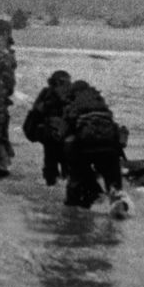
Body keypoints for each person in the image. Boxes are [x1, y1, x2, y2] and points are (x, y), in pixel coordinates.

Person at [60, 80, 129, 211]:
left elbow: (62, 133)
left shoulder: (72, 105)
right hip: (110, 149)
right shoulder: (101, 104)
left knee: (77, 177)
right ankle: (116, 201)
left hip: (85, 149)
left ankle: (80, 203)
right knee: (113, 183)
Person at [22, 70, 73, 185]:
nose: (67, 87)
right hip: (50, 134)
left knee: (63, 159)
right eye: (65, 84)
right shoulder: (47, 94)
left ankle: (61, 178)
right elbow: (36, 112)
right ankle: (52, 180)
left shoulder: (68, 95)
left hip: (62, 134)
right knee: (52, 159)